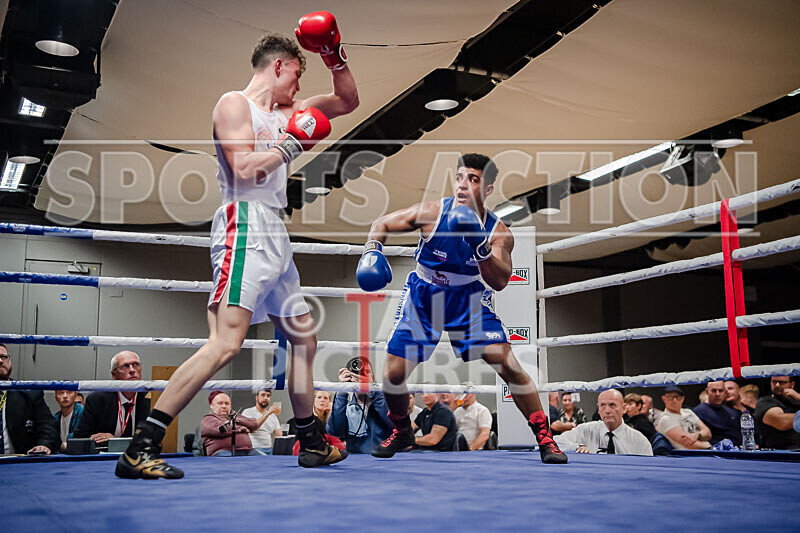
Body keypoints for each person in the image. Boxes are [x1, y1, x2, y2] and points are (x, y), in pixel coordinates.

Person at [116, 12, 359, 479]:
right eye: (300, 72)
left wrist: (334, 54)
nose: (299, 87)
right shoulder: (234, 104)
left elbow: (348, 99)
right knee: (226, 344)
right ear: (282, 65)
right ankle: (140, 447)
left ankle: (309, 441)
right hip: (242, 223)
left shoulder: (288, 113)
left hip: (275, 231)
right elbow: (245, 168)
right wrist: (293, 145)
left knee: (304, 337)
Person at [358, 153, 566, 464]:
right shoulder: (431, 213)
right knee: (392, 375)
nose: (463, 185)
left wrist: (480, 247)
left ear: (488, 189)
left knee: (508, 364)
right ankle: (402, 430)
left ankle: (545, 438)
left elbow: (499, 281)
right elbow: (381, 223)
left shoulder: (499, 233)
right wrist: (372, 250)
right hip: (425, 294)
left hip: (469, 297)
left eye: (473, 179)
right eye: (460, 177)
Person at [76, 351, 150, 449]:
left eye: (136, 364)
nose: (132, 370)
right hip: (103, 458)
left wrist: (114, 440)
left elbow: (153, 439)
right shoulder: (97, 400)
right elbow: (80, 438)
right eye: (125, 366)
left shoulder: (150, 399)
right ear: (114, 375)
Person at [0, 344, 59, 455]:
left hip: (19, 463)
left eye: (4, 357)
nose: (0, 361)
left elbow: (48, 426)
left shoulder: (29, 394)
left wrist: (44, 444)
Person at [554, 390, 652, 456]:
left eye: (612, 405)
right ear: (598, 410)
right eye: (603, 405)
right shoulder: (585, 430)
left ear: (623, 408)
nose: (607, 410)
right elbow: (555, 442)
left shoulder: (639, 441)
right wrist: (576, 447)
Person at [326, 357, 392, 454]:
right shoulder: (346, 405)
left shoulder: (387, 399)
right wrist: (342, 390)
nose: (361, 377)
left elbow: (394, 424)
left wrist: (373, 390)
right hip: (356, 460)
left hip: (386, 458)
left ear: (372, 377)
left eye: (366, 373)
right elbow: (335, 431)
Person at [201, 391, 261, 456]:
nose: (224, 406)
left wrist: (236, 420)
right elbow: (221, 429)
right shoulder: (208, 419)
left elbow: (254, 425)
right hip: (222, 451)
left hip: (248, 451)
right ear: (212, 406)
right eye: (220, 403)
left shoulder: (235, 416)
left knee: (264, 460)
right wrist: (241, 428)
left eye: (227, 403)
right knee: (229, 461)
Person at [656, 385, 711, 450]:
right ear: (663, 398)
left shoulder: (688, 412)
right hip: (689, 455)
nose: (674, 400)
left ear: (682, 398)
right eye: (670, 397)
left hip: (705, 452)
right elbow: (689, 444)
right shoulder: (665, 419)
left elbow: (708, 433)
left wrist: (697, 435)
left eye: (677, 397)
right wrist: (709, 446)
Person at [754, 376, 800, 450]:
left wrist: (798, 397)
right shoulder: (765, 401)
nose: (777, 385)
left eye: (782, 382)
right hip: (782, 452)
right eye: (774, 382)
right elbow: (782, 422)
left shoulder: (796, 401)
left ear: (792, 384)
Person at [693, 381, 743, 446]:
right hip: (713, 452)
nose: (717, 394)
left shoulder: (733, 412)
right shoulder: (699, 411)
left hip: (738, 451)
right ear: (707, 391)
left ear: (725, 392)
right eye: (713, 391)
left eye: (720, 390)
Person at [454, 382, 492, 451]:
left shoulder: (482, 410)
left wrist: (470, 449)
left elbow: (485, 434)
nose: (464, 397)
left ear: (474, 394)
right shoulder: (457, 411)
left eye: (467, 394)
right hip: (458, 449)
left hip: (475, 450)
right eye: (462, 394)